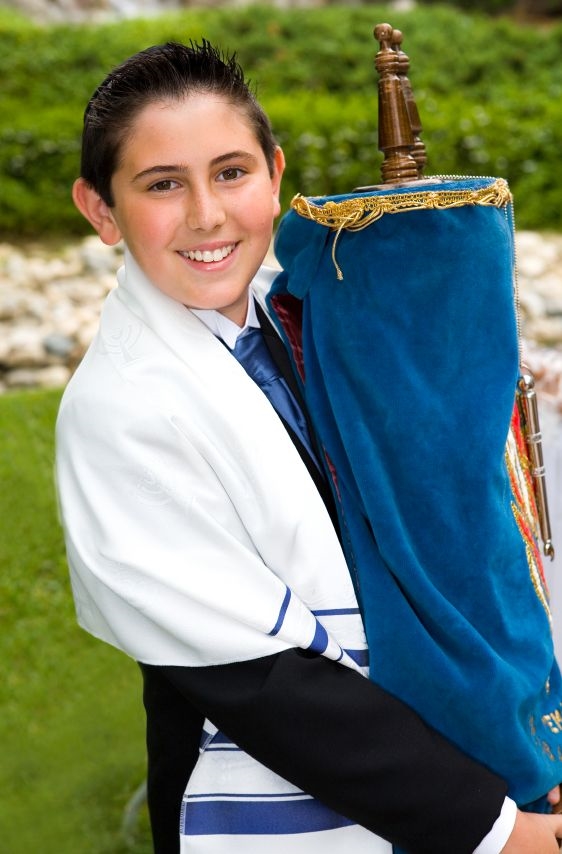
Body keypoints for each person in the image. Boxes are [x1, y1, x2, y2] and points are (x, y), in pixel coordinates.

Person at [55, 40, 562, 853]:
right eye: (161, 185)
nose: (207, 215)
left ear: (276, 172)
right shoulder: (122, 412)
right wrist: (500, 833)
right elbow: (266, 689)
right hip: (280, 799)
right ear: (100, 210)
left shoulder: (304, 319)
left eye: (231, 172)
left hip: (435, 760)